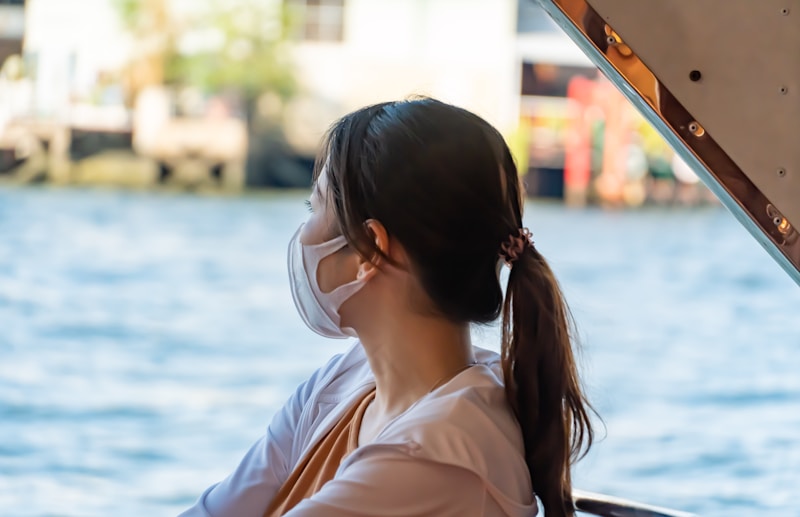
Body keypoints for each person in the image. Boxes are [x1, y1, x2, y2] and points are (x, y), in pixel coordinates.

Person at [179, 98, 594, 517]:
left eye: (314, 208)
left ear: (370, 251)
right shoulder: (344, 381)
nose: (302, 234)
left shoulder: (439, 456)